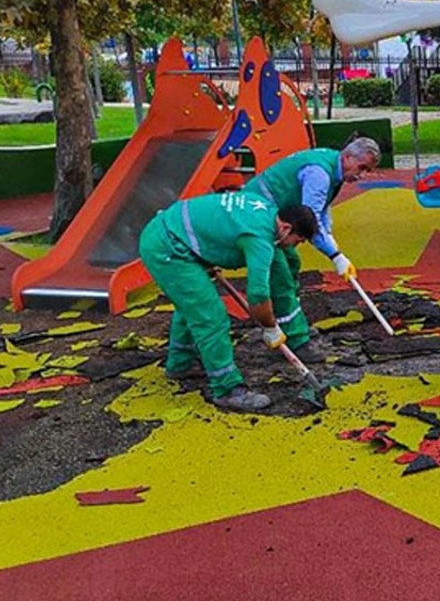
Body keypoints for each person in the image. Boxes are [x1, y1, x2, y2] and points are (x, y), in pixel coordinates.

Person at [139, 192, 318, 412]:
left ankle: (180, 363)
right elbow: (258, 294)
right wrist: (269, 327)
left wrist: (205, 253)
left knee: (192, 305)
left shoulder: (265, 209)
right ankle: (227, 389)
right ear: (287, 228)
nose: (293, 247)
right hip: (167, 248)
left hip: (172, 233)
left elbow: (219, 224)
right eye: (297, 242)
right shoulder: (259, 238)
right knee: (211, 316)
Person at [242, 137, 380, 362]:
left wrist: (332, 241)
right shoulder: (319, 174)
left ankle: (286, 323)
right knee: (281, 274)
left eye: (368, 170)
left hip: (271, 215)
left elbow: (321, 211)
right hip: (257, 218)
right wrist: (334, 255)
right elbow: (311, 219)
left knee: (292, 262)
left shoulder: (332, 166)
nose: (362, 175)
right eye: (362, 167)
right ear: (347, 157)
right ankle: (296, 340)